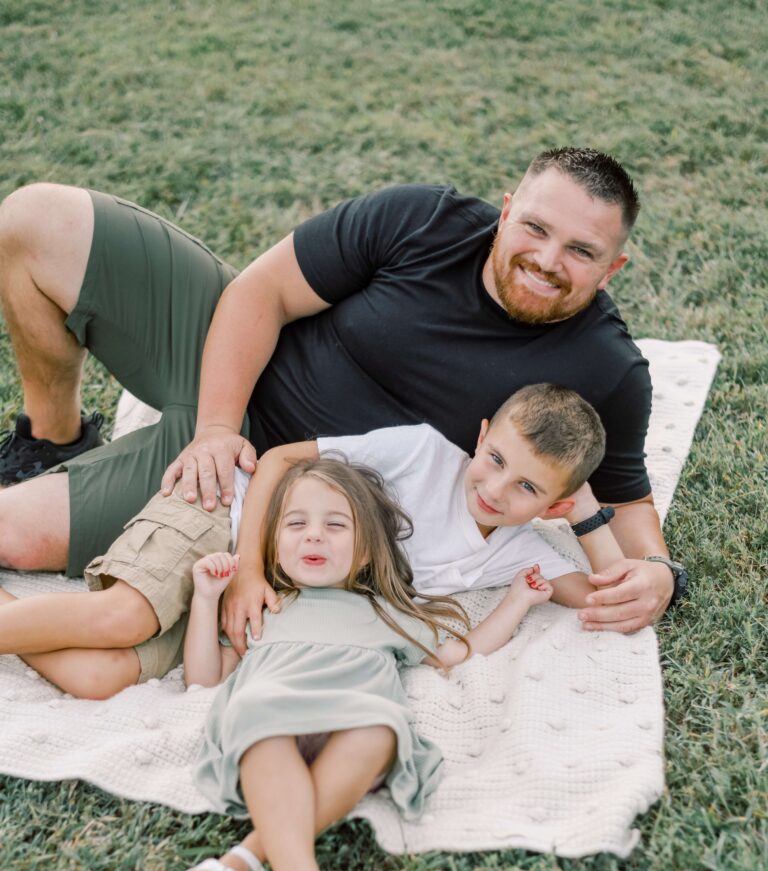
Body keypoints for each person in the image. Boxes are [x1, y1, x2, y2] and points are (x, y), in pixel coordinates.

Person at [0, 147, 684, 632]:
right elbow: (261, 291)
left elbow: (627, 499)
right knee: (35, 221)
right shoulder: (422, 221)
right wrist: (215, 426)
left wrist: (657, 570)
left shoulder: (607, 370)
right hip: (231, 366)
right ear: (507, 211)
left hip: (264, 486)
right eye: (536, 227)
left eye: (581, 251)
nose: (546, 260)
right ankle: (52, 434)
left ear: (612, 267)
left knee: (15, 537)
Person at [175, 457, 568, 871]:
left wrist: (517, 601)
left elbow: (459, 652)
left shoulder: (387, 612)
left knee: (382, 728)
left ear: (365, 550)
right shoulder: (266, 606)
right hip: (268, 716)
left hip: (355, 718)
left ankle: (249, 854)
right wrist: (207, 600)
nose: (314, 536)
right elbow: (204, 680)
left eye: (335, 525)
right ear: (273, 542)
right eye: (296, 524)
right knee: (256, 714)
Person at [0, 385, 618, 697]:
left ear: (555, 505)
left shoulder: (520, 551)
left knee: (98, 677)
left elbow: (609, 594)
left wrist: (586, 518)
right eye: (495, 458)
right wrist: (247, 570)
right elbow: (277, 461)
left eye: (528, 488)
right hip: (229, 521)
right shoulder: (424, 452)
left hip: (248, 610)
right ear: (480, 435)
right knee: (123, 616)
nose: (496, 489)